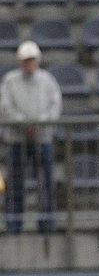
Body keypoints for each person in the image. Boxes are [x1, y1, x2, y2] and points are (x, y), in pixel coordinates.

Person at [1, 40, 61, 233]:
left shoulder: (47, 80)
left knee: (46, 183)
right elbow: (6, 106)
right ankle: (14, 223)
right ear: (20, 61)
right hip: (17, 139)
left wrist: (40, 123)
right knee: (16, 182)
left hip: (42, 138)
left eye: (32, 59)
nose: (29, 63)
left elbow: (55, 104)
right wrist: (24, 123)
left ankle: (47, 223)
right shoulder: (10, 81)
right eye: (26, 60)